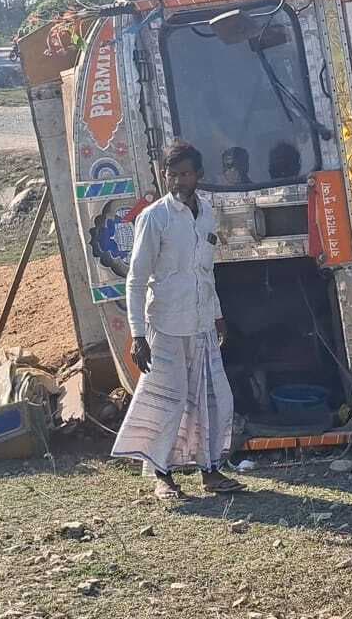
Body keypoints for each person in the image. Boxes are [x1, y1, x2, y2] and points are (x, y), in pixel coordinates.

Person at [111, 142, 243, 499]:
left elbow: (205, 273)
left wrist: (217, 316)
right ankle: (162, 476)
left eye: (185, 174)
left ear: (198, 175)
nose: (178, 181)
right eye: (172, 175)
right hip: (165, 326)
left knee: (214, 399)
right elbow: (136, 280)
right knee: (166, 402)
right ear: (163, 176)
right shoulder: (154, 217)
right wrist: (138, 335)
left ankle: (210, 472)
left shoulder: (207, 214)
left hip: (201, 324)